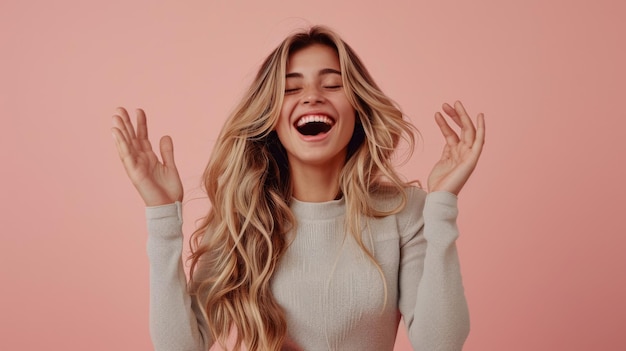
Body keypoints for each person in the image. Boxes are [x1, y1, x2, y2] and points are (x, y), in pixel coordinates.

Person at [111, 25, 485, 351]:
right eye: (291, 89)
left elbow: (441, 343)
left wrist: (443, 204)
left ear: (358, 108)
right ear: (270, 117)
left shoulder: (404, 213)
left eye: (333, 84)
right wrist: (161, 214)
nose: (312, 96)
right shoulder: (243, 219)